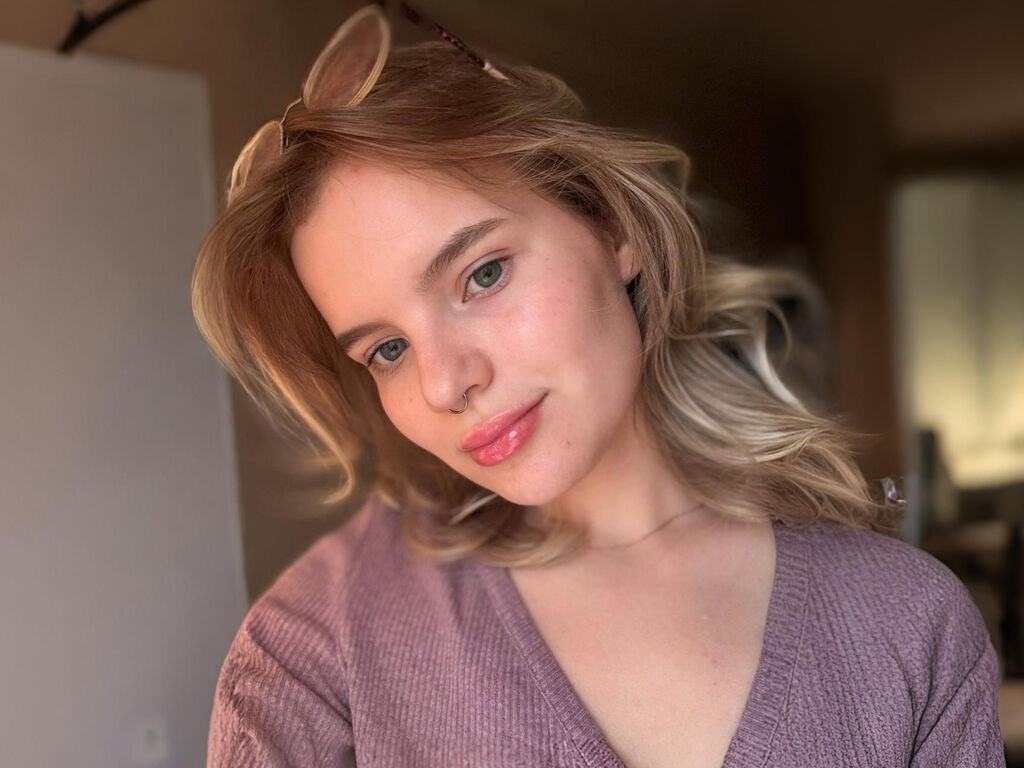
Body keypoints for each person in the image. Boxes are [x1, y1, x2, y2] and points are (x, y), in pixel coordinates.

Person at [192, 4, 1005, 766]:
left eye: (483, 274)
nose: (445, 384)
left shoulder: (906, 625)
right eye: (388, 350)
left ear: (613, 227)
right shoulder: (312, 655)